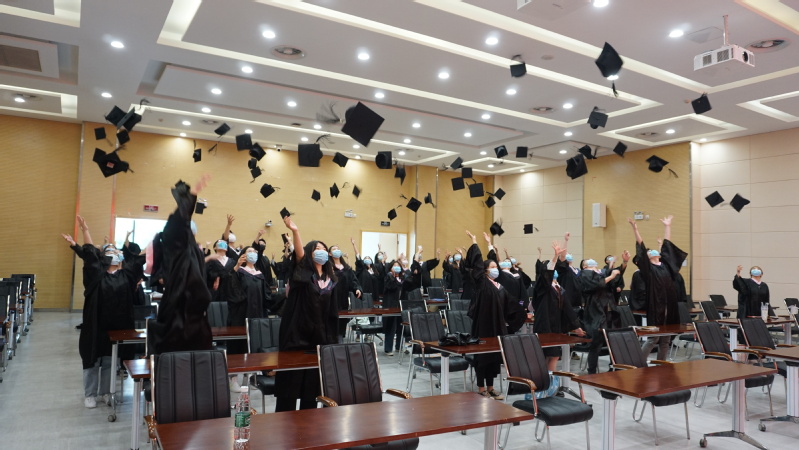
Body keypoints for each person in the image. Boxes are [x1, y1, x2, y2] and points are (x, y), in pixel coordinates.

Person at [63, 215, 144, 408]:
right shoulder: (96, 274)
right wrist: (85, 231)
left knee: (110, 361)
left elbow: (139, 259)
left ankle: (107, 392)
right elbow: (90, 253)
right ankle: (90, 394)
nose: (113, 254)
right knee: (92, 360)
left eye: (116, 251)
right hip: (95, 325)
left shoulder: (126, 275)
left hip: (117, 327)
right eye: (109, 251)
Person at [275, 214, 339, 412]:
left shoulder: (330, 281)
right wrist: (296, 231)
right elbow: (300, 257)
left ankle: (307, 426)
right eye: (317, 248)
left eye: (324, 249)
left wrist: (331, 341)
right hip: (296, 338)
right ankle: (283, 424)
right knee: (289, 388)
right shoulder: (303, 274)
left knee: (311, 389)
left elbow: (332, 313)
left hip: (318, 340)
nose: (322, 251)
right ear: (310, 253)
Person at [150, 177, 214, 355]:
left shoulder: (192, 248)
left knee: (198, 355)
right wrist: (192, 194)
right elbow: (179, 220)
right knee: (175, 354)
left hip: (195, 312)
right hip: (177, 309)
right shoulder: (173, 240)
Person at [465, 231, 526, 399]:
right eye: (491, 267)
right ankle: (481, 388)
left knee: (493, 358)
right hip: (483, 326)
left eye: (495, 267)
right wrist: (475, 242)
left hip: (497, 326)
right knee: (482, 358)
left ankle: (491, 388)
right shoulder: (481, 283)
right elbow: (477, 264)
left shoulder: (500, 286)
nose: (495, 269)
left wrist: (521, 313)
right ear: (485, 271)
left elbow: (510, 305)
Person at [629, 215, 688, 360]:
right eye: (650, 252)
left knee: (666, 339)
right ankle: (639, 361)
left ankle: (661, 364)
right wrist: (635, 229)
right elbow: (641, 247)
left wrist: (667, 226)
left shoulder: (666, 266)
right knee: (653, 338)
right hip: (656, 305)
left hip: (670, 305)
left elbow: (667, 245)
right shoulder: (648, 270)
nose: (653, 252)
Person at [581, 257, 622, 374]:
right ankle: (592, 371)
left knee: (613, 341)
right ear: (584, 266)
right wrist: (611, 276)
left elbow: (612, 278)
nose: (592, 260)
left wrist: (622, 263)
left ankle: (614, 367)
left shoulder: (601, 272)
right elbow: (597, 284)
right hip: (596, 312)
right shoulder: (585, 274)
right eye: (588, 261)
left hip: (609, 310)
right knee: (596, 343)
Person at [329, 243, 362, 338]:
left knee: (341, 325)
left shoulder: (346, 268)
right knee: (331, 324)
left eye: (338, 248)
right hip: (331, 299)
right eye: (334, 249)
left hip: (343, 300)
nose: (336, 250)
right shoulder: (328, 267)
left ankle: (340, 341)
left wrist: (357, 289)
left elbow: (353, 280)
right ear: (330, 254)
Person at [382, 259, 407, 355]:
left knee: (401, 326)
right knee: (390, 327)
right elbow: (390, 287)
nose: (396, 267)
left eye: (398, 266)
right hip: (390, 305)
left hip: (401, 305)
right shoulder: (388, 276)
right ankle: (388, 349)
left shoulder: (403, 278)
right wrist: (393, 276)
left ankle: (399, 346)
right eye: (394, 266)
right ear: (391, 268)